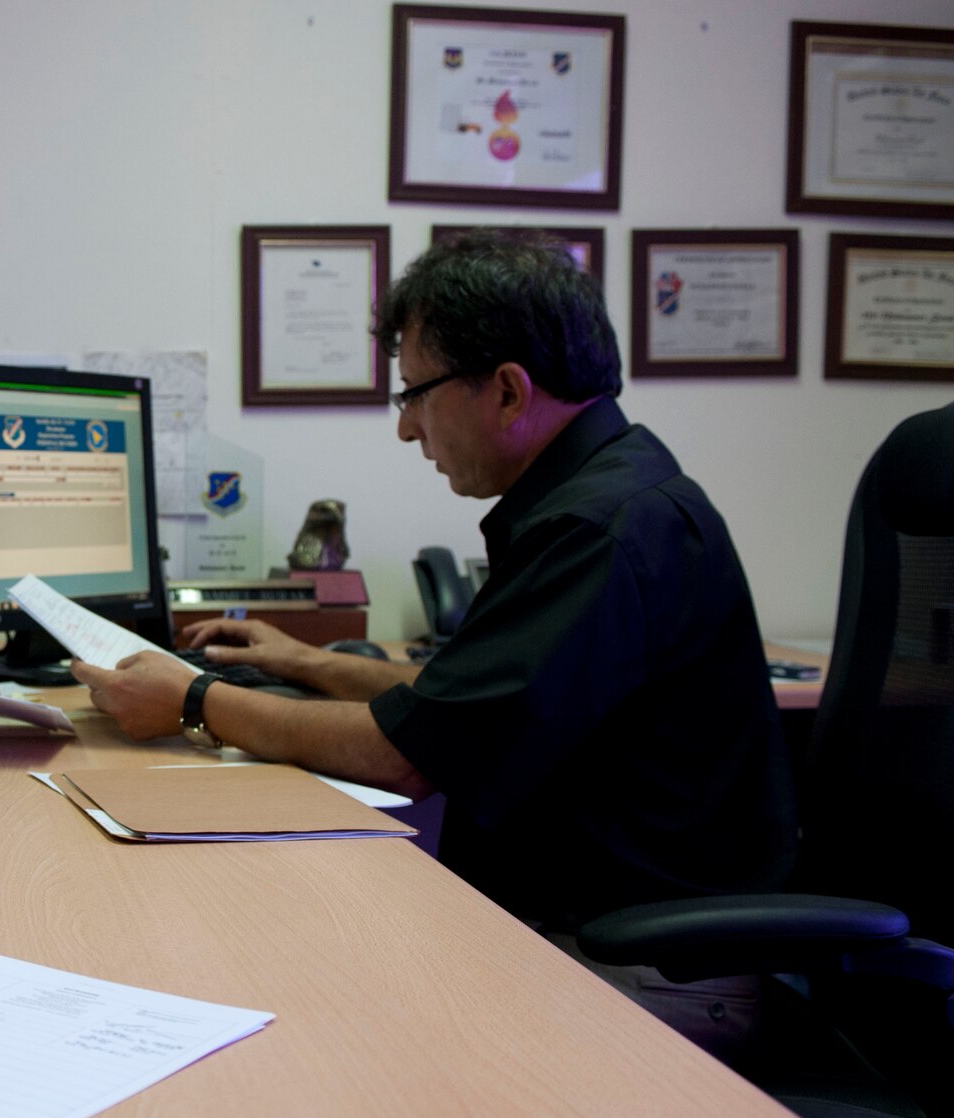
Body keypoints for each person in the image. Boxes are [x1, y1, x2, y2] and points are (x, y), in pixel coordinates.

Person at [76, 231, 796, 1051]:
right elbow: (462, 703)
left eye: (414, 394)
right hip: (604, 934)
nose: (407, 430)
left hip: (641, 968)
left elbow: (408, 752)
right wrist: (300, 662)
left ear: (509, 392)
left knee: (282, 989)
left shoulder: (599, 531)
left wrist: (194, 699)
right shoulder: (605, 494)